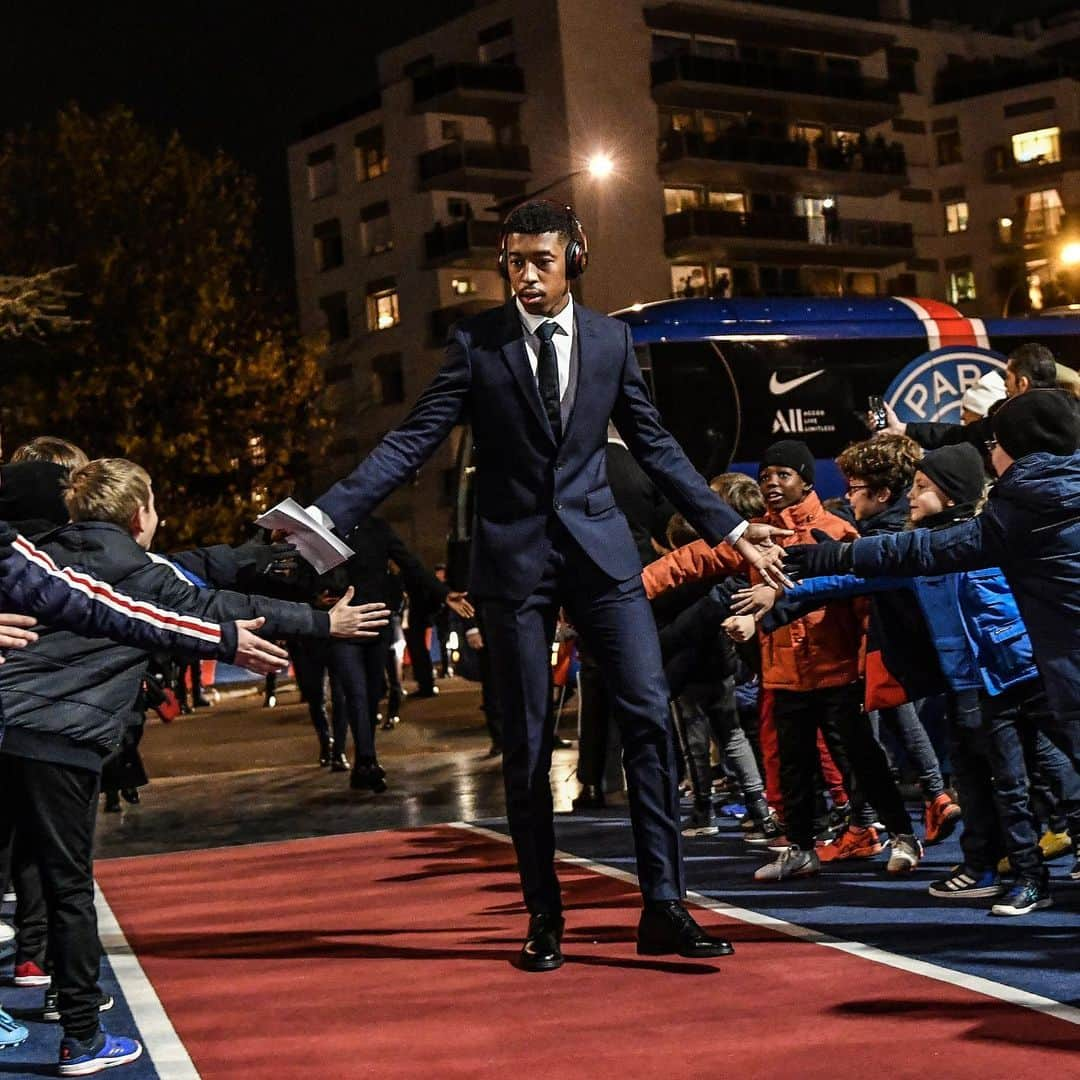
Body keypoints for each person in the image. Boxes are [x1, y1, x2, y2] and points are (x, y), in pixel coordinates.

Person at [306, 198, 790, 971]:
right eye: (513, 260)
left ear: (575, 258)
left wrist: (728, 529)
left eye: (541, 260)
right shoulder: (476, 344)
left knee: (647, 720)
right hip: (514, 564)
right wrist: (322, 516)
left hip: (601, 557)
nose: (525, 275)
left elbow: (657, 446)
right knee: (528, 742)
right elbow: (410, 443)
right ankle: (543, 916)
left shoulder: (609, 340)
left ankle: (663, 906)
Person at [0, 459, 386, 1074]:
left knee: (22, 874)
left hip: (7, 727)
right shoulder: (139, 570)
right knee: (69, 885)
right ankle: (79, 1031)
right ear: (140, 515)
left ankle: (40, 981)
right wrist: (323, 622)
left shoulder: (36, 554)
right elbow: (218, 604)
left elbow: (213, 580)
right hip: (60, 736)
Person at [786, 389, 1080, 881]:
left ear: (1020, 448)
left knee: (1035, 772)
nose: (991, 453)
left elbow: (932, 550)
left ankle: (1025, 873)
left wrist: (839, 555)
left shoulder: (1028, 503)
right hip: (1038, 668)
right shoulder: (1054, 491)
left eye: (996, 443)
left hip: (1045, 667)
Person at [878, 343, 1060, 452]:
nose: (1005, 385)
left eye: (1008, 378)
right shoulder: (1073, 414)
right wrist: (905, 429)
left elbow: (960, 436)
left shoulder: (1012, 423)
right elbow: (960, 435)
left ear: (1022, 383)